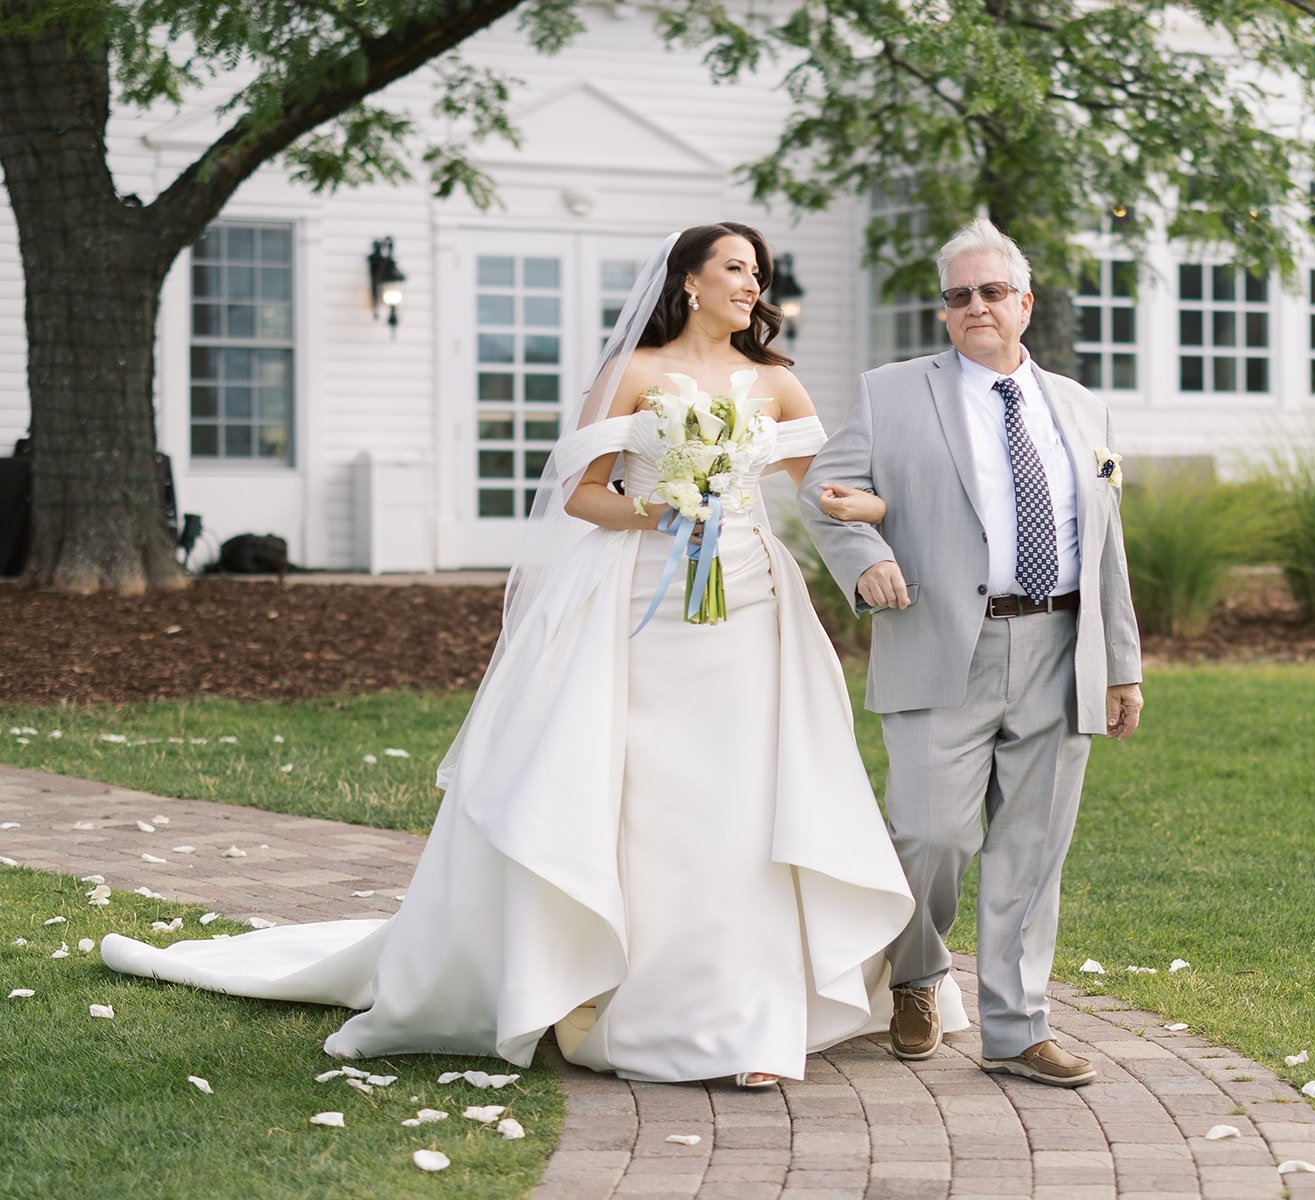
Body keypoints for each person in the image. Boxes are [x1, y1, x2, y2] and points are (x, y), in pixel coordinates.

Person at [102, 222, 966, 1086]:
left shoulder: (775, 380)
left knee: (744, 797)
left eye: (758, 272)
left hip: (750, 606)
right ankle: (609, 984)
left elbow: (822, 490)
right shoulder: (629, 374)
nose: (752, 284)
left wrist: (888, 511)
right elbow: (583, 497)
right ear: (690, 282)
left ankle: (744, 1015)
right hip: (639, 606)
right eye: (735, 269)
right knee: (650, 799)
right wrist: (664, 511)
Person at [800, 217, 1144, 1088]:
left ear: (1024, 303)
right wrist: (868, 560)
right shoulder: (891, 391)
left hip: (1063, 648)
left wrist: (1124, 663)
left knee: (1032, 848)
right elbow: (825, 494)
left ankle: (1019, 1028)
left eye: (993, 292)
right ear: (945, 313)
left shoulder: (1080, 405)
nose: (976, 307)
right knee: (928, 834)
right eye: (960, 296)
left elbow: (1105, 542)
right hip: (939, 642)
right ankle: (917, 976)